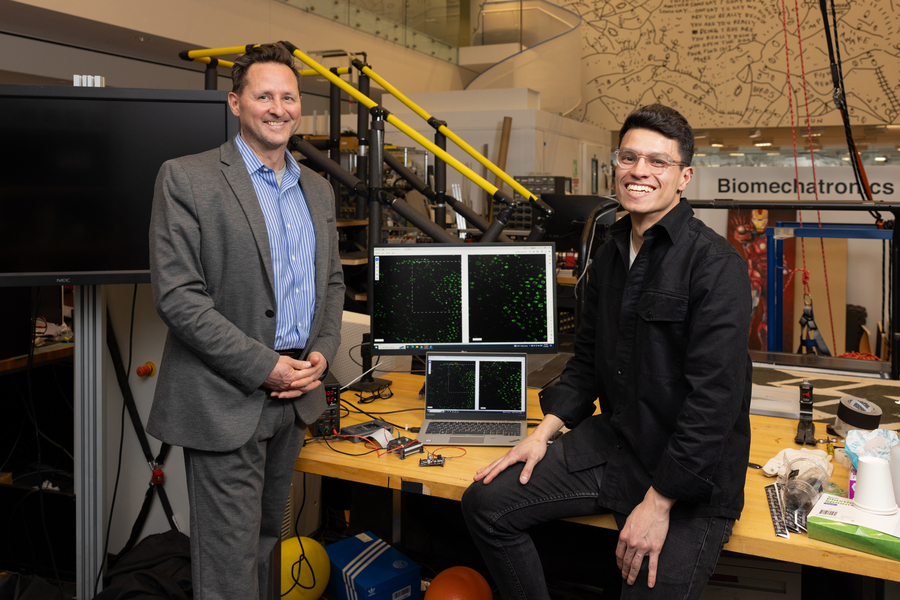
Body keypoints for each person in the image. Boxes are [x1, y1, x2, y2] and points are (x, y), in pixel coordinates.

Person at [462, 104, 752, 599]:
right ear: (615, 165)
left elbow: (714, 403)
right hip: (617, 445)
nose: (640, 171)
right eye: (630, 157)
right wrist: (542, 435)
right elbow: (587, 363)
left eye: (658, 162)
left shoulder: (716, 266)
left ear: (684, 177)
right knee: (485, 505)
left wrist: (658, 504)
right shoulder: (609, 253)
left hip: (688, 475)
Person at [147, 43, 344, 600]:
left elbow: (330, 283)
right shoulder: (187, 179)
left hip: (295, 398)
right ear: (236, 103)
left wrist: (322, 353)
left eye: (288, 96)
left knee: (264, 544)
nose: (278, 108)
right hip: (225, 398)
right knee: (228, 564)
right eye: (264, 96)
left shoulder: (318, 189)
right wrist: (266, 368)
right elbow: (180, 297)